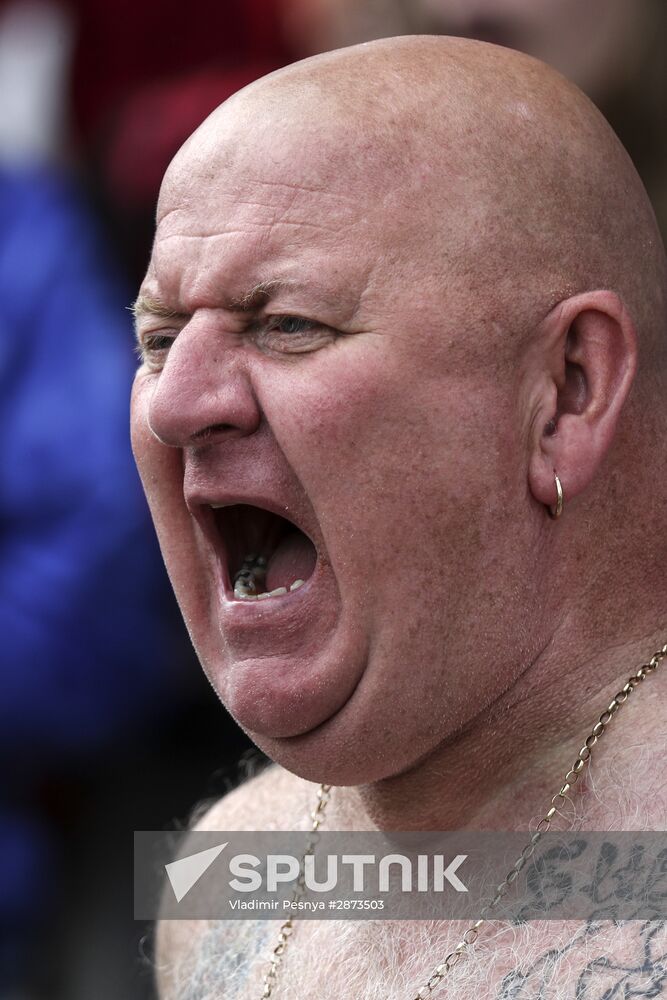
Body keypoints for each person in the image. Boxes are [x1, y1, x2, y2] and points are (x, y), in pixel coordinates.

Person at [130, 35, 667, 1000]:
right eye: (159, 338)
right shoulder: (222, 877)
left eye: (287, 323)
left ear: (566, 392)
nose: (177, 404)